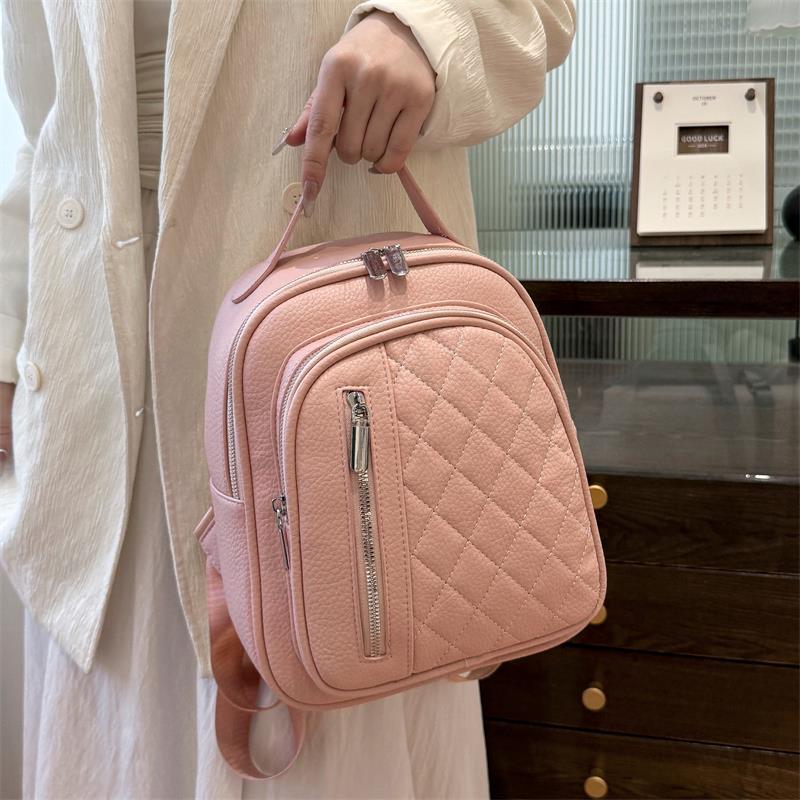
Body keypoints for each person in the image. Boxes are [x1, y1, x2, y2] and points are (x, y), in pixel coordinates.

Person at [0, 1, 576, 797]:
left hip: (330, 404)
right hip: (91, 403)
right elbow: (44, 128)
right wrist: (6, 332)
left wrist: (422, 30)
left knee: (339, 670)